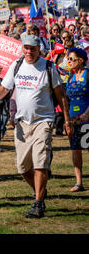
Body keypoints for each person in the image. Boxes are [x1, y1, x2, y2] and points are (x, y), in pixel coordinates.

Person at [0, 35, 73, 218]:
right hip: (22, 123)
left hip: (43, 121)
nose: (28, 52)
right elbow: (4, 87)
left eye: (32, 49)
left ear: (38, 49)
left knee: (40, 161)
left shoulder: (48, 67)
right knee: (23, 167)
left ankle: (38, 203)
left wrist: (66, 121)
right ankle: (39, 190)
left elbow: (61, 96)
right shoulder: (17, 65)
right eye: (26, 48)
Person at [66, 47, 89, 192]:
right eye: (68, 59)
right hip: (74, 120)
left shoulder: (88, 75)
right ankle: (79, 182)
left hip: (87, 119)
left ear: (81, 61)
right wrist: (67, 119)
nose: (68, 62)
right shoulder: (70, 77)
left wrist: (87, 113)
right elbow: (66, 100)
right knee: (76, 149)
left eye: (71, 59)